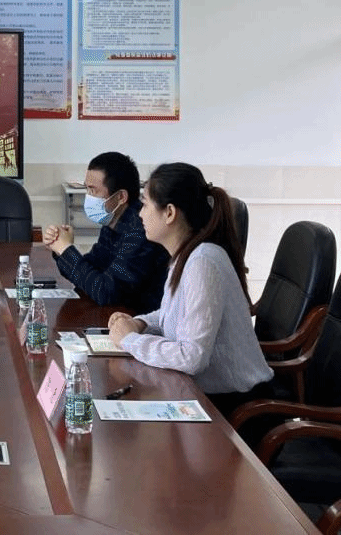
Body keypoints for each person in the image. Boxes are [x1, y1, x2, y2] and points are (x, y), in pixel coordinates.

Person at [107, 162, 272, 415]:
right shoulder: (187, 255)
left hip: (236, 407)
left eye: (146, 204)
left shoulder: (203, 262)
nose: (140, 214)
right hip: (202, 394)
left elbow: (192, 357)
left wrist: (130, 340)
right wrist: (139, 323)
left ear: (169, 213)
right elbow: (172, 314)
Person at [43, 152, 169, 312]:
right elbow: (91, 271)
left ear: (121, 197)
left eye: (93, 191)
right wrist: (60, 248)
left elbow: (106, 292)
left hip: (141, 319)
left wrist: (65, 249)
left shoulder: (140, 230)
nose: (88, 197)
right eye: (87, 189)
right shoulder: (113, 222)